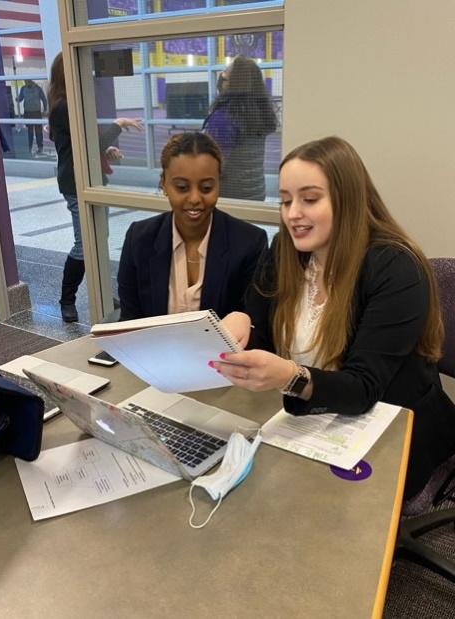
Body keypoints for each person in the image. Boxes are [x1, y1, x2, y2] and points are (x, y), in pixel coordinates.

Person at [209, 135, 455, 502]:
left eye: (309, 199)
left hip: (390, 432)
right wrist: (242, 322)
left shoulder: (395, 268)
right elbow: (262, 339)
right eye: (286, 200)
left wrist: (291, 377)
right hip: (309, 422)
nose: (293, 213)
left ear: (347, 200)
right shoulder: (284, 252)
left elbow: (363, 388)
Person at [117, 132, 268, 321]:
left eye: (206, 188)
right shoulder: (139, 239)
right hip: (153, 350)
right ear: (164, 183)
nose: (195, 199)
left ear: (219, 183)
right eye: (182, 187)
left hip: (224, 351)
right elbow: (130, 319)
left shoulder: (249, 243)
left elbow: (254, 323)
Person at [47, 51, 143, 323]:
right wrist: (118, 125)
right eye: (81, 69)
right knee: (84, 244)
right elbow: (89, 145)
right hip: (76, 184)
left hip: (89, 178)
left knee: (99, 239)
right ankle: (67, 299)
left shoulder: (73, 104)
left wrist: (106, 149)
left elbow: (87, 147)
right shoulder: (65, 107)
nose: (87, 75)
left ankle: (100, 293)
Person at [202, 54, 277, 202]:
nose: (221, 75)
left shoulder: (224, 117)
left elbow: (214, 163)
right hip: (256, 194)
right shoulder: (258, 112)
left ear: (231, 83)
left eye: (225, 72)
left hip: (230, 198)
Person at [15, 79, 47, 154]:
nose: (25, 83)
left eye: (27, 82)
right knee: (29, 131)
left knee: (38, 131)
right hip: (27, 113)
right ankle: (29, 147)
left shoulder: (38, 88)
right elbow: (21, 97)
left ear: (30, 81)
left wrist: (45, 110)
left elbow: (44, 99)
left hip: (36, 112)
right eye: (24, 82)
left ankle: (40, 147)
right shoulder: (23, 88)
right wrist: (18, 99)